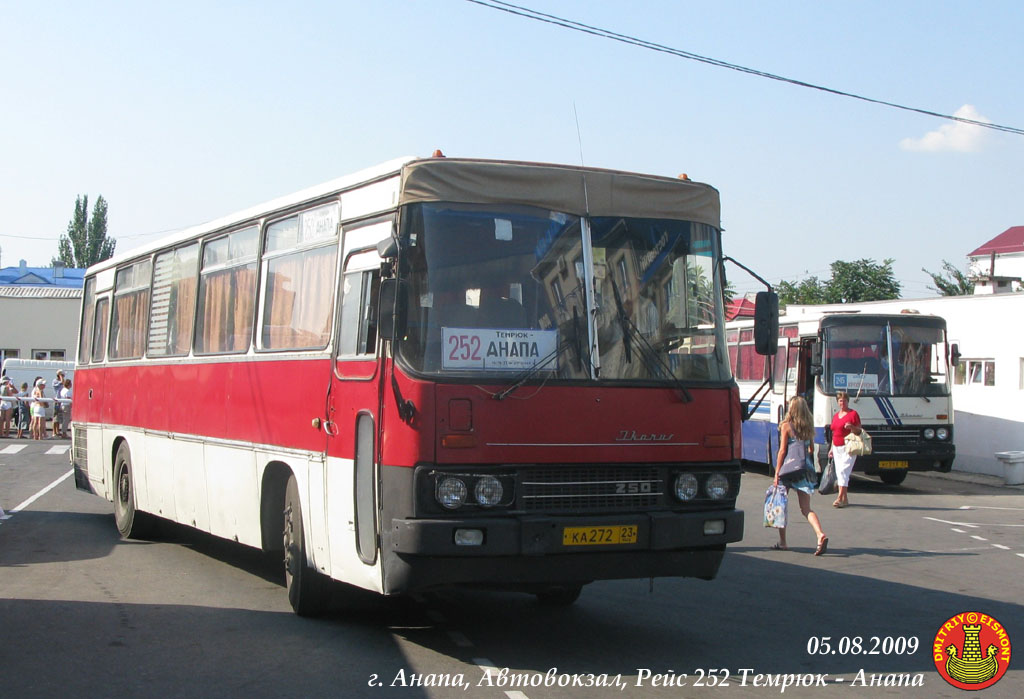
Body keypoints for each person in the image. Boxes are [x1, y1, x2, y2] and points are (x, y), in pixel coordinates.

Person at [772, 396, 828, 555]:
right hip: (804, 469)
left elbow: (782, 451)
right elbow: (811, 450)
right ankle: (820, 534)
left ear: (792, 409)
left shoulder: (786, 426)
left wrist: (777, 473)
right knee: (806, 508)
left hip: (788, 470)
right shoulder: (808, 428)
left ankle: (783, 542)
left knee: (781, 506)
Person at [828, 390, 862, 508]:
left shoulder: (853, 414)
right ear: (838, 402)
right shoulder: (836, 416)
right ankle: (845, 498)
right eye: (840, 401)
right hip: (837, 447)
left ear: (848, 401)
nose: (842, 403)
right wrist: (831, 448)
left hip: (849, 447)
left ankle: (839, 498)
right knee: (840, 473)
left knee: (843, 471)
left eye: (845, 401)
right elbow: (834, 433)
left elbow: (859, 431)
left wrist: (851, 427)